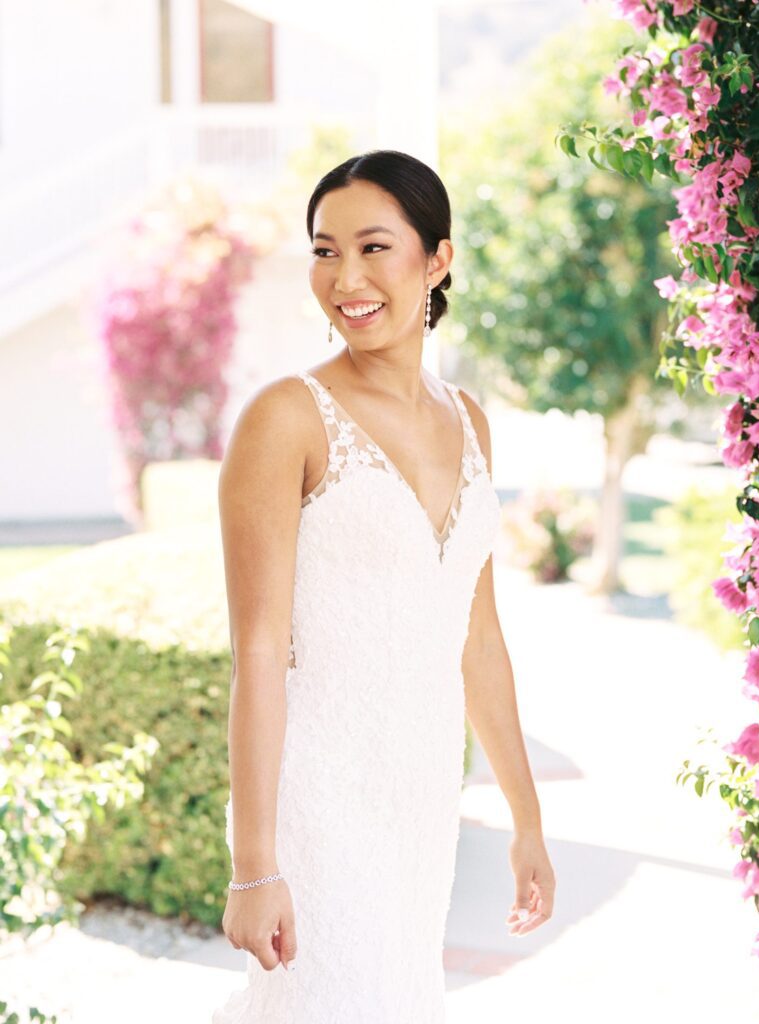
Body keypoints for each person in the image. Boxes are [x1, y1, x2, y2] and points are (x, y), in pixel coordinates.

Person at [212, 149, 555, 1023]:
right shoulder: (285, 416)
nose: (346, 278)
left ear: (437, 260)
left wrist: (527, 821)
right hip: (319, 803)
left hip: (421, 801)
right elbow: (258, 649)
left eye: (374, 248)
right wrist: (255, 867)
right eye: (325, 251)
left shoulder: (471, 421)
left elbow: (477, 639)